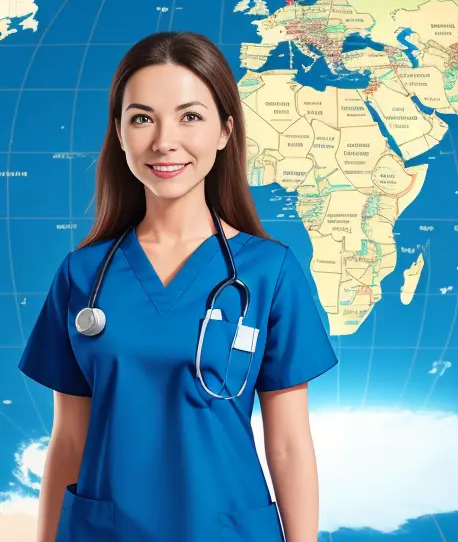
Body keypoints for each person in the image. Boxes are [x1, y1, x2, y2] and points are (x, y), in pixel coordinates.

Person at [18, 31, 339, 542]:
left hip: (229, 530)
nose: (164, 140)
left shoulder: (269, 273)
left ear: (225, 131)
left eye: (190, 116)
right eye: (142, 118)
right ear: (119, 135)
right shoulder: (81, 277)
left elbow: (289, 444)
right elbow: (69, 440)